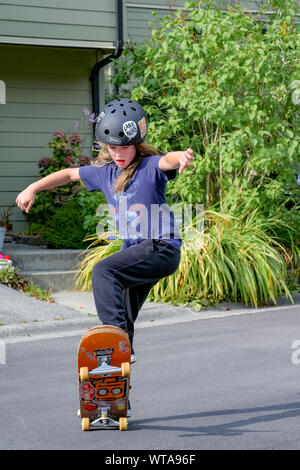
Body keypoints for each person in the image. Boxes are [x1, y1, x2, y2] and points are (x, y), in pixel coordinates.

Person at [16, 98, 194, 365]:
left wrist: (182, 156)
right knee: (123, 307)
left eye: (124, 148)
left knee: (104, 270)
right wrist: (33, 188)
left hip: (160, 245)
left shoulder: (149, 167)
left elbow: (167, 160)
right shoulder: (105, 173)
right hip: (137, 252)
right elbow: (68, 174)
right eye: (112, 148)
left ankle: (114, 342)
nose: (118, 154)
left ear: (136, 144)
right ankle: (117, 381)